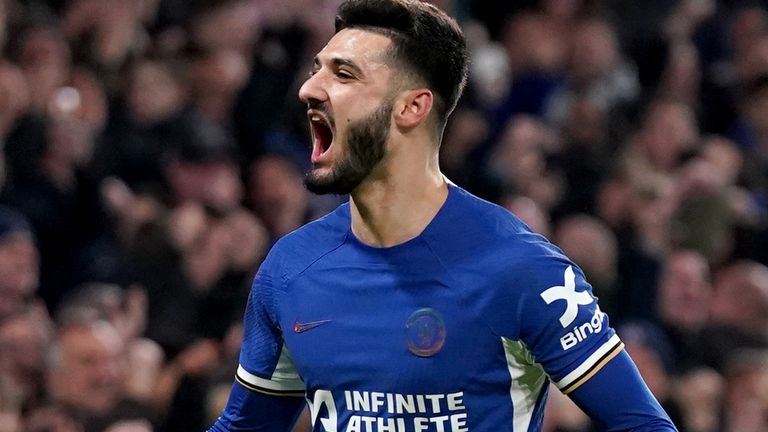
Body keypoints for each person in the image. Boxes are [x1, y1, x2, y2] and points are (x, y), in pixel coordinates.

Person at [208, 1, 677, 431]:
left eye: (344, 74)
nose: (309, 88)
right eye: (316, 71)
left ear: (412, 107)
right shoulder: (290, 269)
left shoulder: (520, 269)